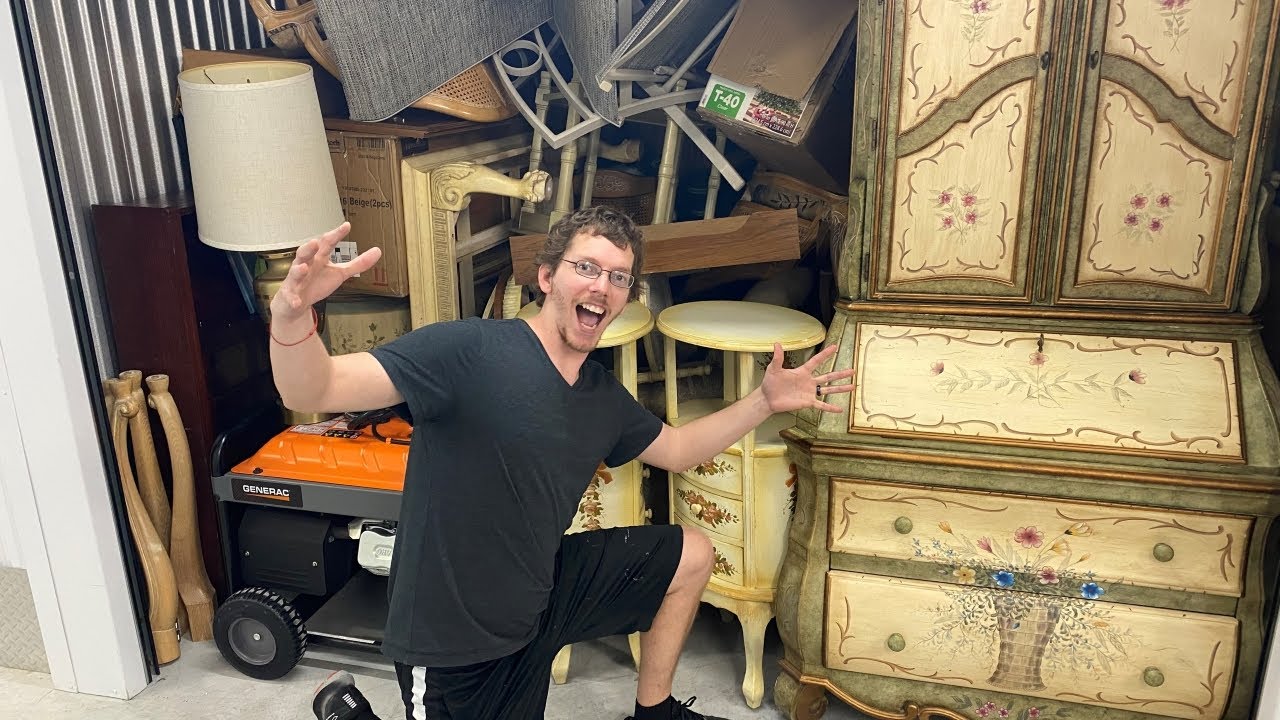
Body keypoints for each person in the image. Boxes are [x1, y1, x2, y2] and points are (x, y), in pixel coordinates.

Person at [269, 207, 855, 720]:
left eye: (619, 277)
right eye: (587, 267)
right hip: (453, 638)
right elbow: (315, 387)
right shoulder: (468, 350)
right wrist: (293, 318)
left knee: (691, 554)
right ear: (547, 277)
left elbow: (677, 451)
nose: (603, 285)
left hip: (540, 595)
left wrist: (763, 402)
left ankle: (654, 713)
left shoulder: (599, 396)